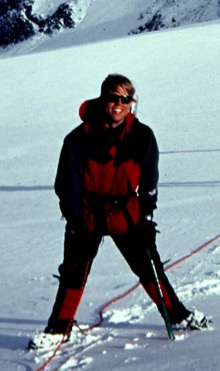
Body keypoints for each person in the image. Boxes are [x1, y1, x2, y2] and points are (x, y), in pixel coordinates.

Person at [29, 73, 208, 350]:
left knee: (150, 267)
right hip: (86, 214)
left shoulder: (142, 136)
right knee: (73, 272)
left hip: (125, 212)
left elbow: (149, 180)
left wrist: (146, 219)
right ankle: (58, 329)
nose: (118, 104)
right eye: (113, 98)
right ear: (102, 100)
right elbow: (66, 183)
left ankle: (178, 315)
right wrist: (74, 218)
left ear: (131, 103)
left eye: (125, 99)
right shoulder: (78, 138)